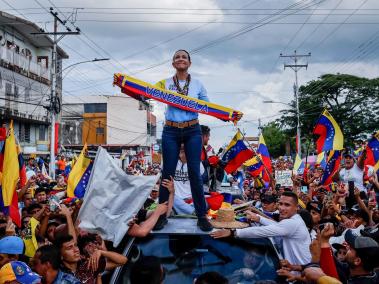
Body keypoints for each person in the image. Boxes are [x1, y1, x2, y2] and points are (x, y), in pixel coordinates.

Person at [154, 49, 212, 232]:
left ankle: (202, 216)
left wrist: (187, 102)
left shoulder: (198, 84)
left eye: (184, 57)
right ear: (173, 64)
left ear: (189, 63)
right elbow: (148, 92)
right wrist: (133, 90)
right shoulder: (165, 83)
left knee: (194, 172)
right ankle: (161, 215)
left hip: (192, 129)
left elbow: (207, 106)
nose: (181, 59)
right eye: (177, 57)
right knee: (167, 173)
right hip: (170, 129)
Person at [211, 191, 311, 265]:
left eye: (287, 205)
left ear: (296, 207)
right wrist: (258, 218)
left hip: (300, 275)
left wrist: (233, 232)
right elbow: (276, 226)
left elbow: (262, 231)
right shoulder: (292, 221)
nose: (281, 208)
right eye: (280, 204)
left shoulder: (293, 223)